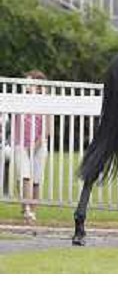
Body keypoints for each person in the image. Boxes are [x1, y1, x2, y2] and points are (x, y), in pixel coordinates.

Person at [13, 70, 52, 225]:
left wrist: (36, 145)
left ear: (38, 85)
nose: (26, 85)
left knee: (36, 179)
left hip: (39, 146)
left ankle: (31, 210)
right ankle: (27, 209)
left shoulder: (46, 102)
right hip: (20, 144)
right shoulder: (19, 99)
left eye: (29, 82)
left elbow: (48, 130)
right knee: (25, 177)